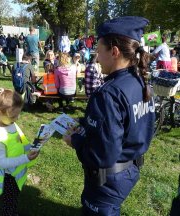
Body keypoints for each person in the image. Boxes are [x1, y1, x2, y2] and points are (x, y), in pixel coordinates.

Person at [63, 16, 155, 215]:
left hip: (109, 179)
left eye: (98, 49)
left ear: (114, 52)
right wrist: (85, 123)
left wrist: (75, 140)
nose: (96, 55)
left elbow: (102, 156)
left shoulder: (108, 93)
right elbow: (133, 125)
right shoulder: (139, 80)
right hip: (131, 169)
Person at [0, 88, 39, 215]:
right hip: (8, 176)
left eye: (18, 113)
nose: (17, 118)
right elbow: (2, 163)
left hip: (14, 172)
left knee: (14, 196)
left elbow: (18, 140)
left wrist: (33, 147)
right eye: (14, 115)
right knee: (9, 201)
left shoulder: (8, 122)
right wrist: (26, 158)